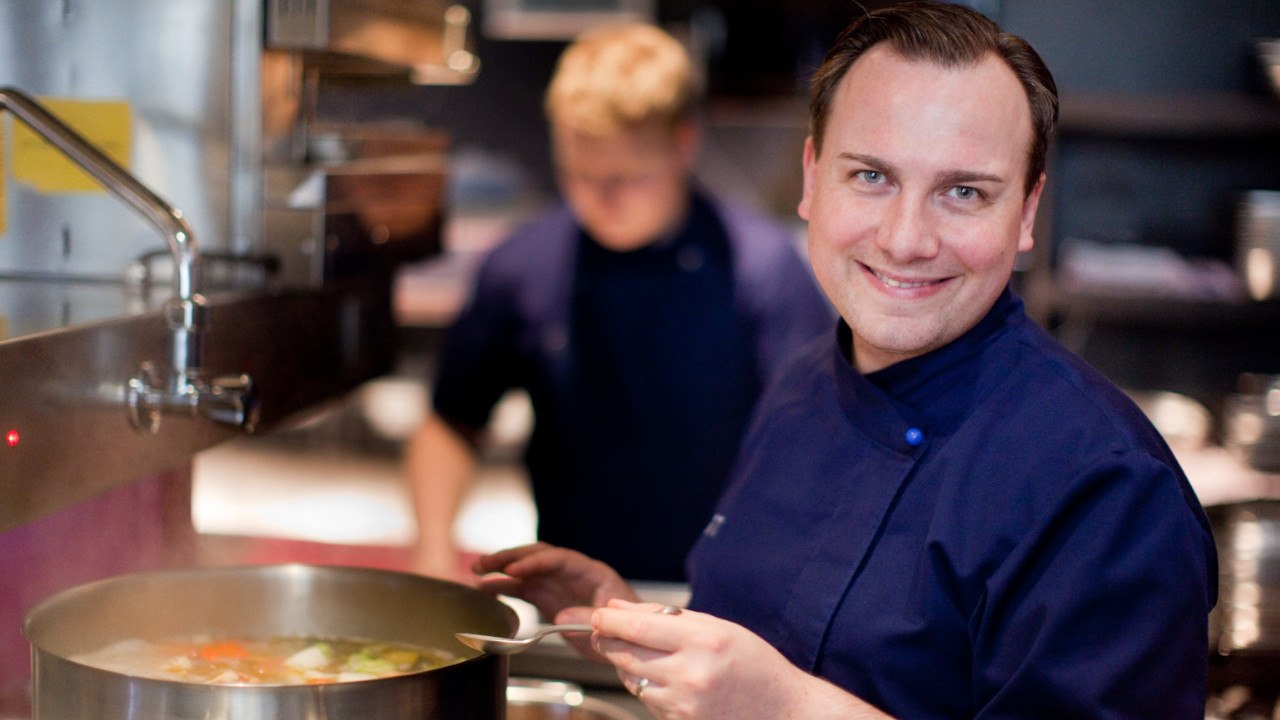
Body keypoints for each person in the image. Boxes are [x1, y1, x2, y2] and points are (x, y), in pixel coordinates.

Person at [469, 3, 1218, 719]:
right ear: (811, 178)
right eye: (871, 177)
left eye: (963, 191)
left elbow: (777, 694)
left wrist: (784, 709)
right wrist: (640, 630)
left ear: (1025, 212)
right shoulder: (801, 384)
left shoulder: (1110, 494)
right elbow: (788, 643)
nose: (904, 238)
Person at [407, 23, 833, 583]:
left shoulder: (763, 270)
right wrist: (434, 550)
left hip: (729, 599)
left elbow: (818, 448)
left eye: (628, 177)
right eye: (580, 175)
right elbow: (451, 422)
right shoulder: (523, 266)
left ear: (683, 141)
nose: (601, 199)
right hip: (576, 596)